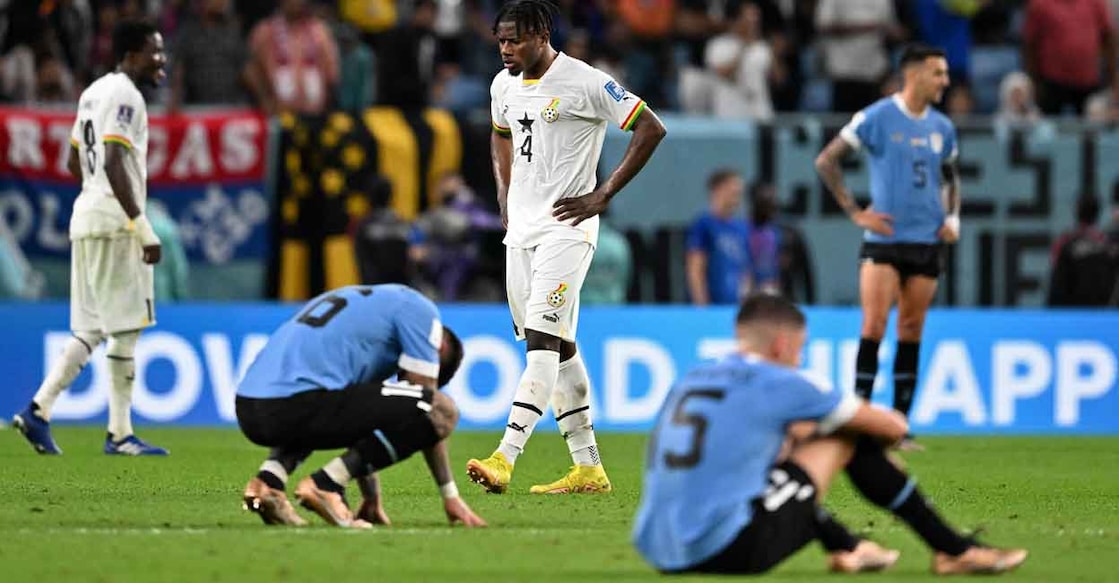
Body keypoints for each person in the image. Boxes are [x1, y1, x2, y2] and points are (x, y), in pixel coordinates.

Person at [632, 294, 1029, 576]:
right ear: (782, 345)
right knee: (846, 435)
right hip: (724, 550)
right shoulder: (784, 382)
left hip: (657, 547)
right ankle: (953, 550)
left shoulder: (694, 376)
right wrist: (865, 436)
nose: (799, 359)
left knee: (782, 460)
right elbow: (894, 426)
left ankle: (849, 547)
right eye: (800, 349)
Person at [465, 0, 667, 495]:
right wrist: (503, 191)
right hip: (522, 232)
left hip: (567, 229)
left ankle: (504, 457)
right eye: (500, 41)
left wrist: (603, 194)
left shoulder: (586, 82)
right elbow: (500, 135)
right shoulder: (502, 85)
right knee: (560, 347)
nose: (506, 50)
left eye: (514, 40)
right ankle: (588, 468)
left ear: (541, 33)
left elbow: (650, 127)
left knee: (540, 343)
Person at [12, 21, 169, 457]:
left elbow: (71, 160)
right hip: (116, 224)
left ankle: (38, 411)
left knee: (93, 328)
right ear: (131, 54)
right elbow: (116, 158)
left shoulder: (92, 92)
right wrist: (140, 224)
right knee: (127, 327)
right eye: (155, 52)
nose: (162, 61)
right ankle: (119, 435)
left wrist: (96, 193)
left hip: (87, 216)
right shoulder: (127, 96)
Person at [236, 284, 486, 529]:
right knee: (441, 409)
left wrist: (371, 497)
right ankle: (326, 485)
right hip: (298, 403)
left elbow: (360, 416)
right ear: (438, 347)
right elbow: (429, 407)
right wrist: (450, 495)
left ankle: (269, 482)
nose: (404, 378)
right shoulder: (422, 312)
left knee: (322, 399)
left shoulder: (370, 308)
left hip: (251, 408)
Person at [814, 45, 961, 449]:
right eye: (939, 73)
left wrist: (952, 220)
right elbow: (827, 160)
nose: (945, 81)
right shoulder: (877, 117)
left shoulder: (942, 127)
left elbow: (950, 179)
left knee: (911, 330)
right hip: (884, 240)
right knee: (874, 325)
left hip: (927, 240)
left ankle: (899, 426)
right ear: (914, 75)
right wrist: (855, 212)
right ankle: (860, 420)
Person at [686, 170, 751, 306]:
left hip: (735, 307)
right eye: (733, 193)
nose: (737, 199)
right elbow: (695, 268)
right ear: (717, 190)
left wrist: (745, 302)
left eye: (739, 194)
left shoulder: (742, 228)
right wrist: (702, 306)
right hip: (712, 306)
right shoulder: (703, 224)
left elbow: (744, 271)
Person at [1047, 195, 1119, 306]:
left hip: (1074, 314)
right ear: (1097, 213)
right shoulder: (1110, 245)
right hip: (1104, 313)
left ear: (1077, 211)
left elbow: (1057, 285)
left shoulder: (1064, 243)